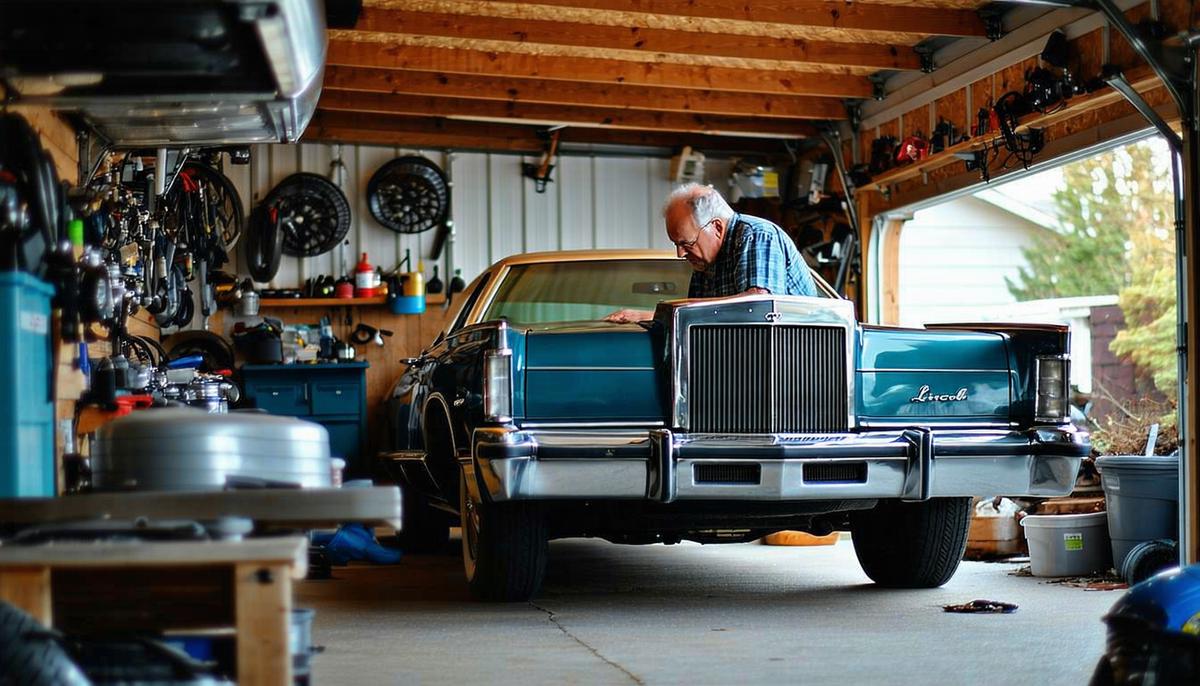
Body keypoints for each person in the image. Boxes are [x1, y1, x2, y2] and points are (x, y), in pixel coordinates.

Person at [605, 183, 817, 324]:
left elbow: (758, 306)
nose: (680, 254)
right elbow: (694, 320)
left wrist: (652, 314)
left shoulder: (757, 235)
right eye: (676, 244)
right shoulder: (704, 262)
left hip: (793, 369)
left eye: (686, 243)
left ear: (716, 227)